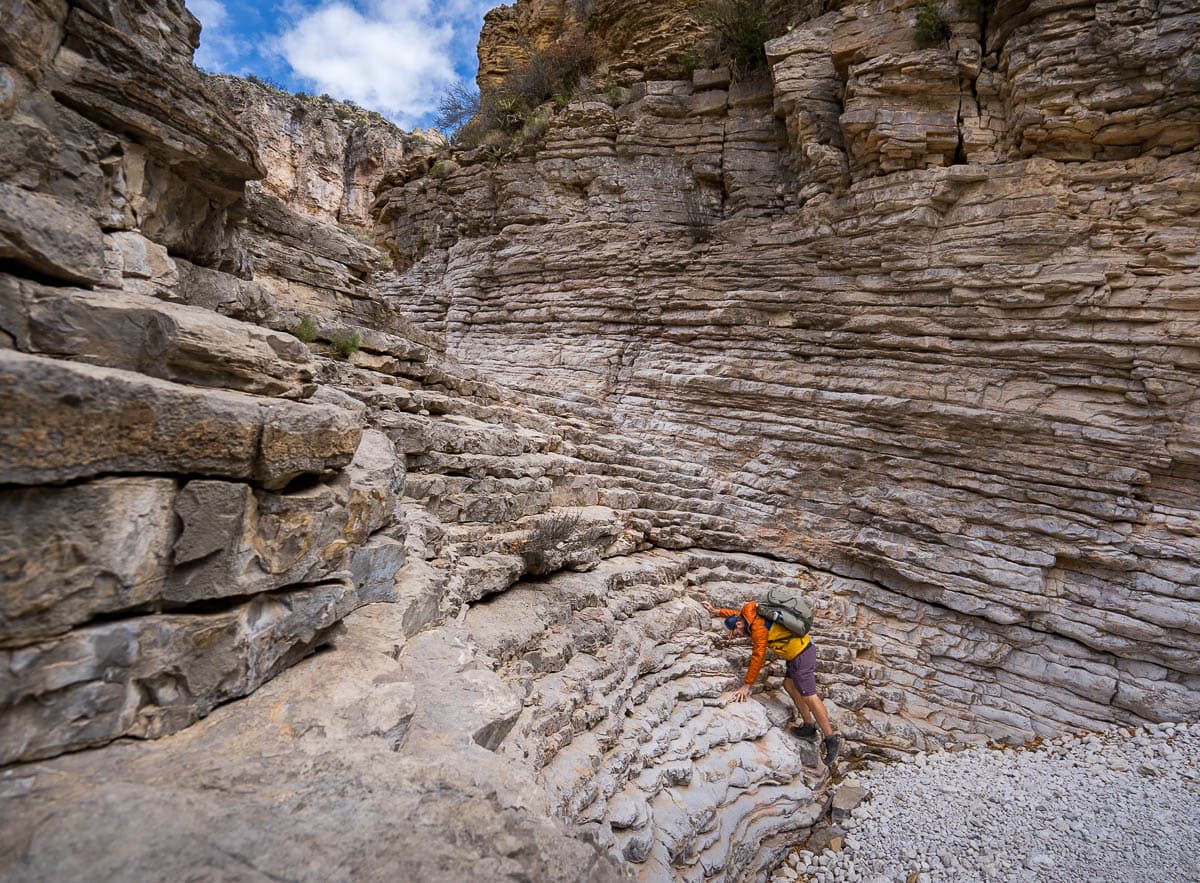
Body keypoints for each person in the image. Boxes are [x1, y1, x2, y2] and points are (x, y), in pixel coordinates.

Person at [701, 598, 842, 768]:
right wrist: (716, 611)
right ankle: (809, 727)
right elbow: (734, 614)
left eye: (735, 632)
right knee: (789, 685)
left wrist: (747, 685)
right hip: (796, 652)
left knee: (810, 696)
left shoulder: (757, 628)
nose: (736, 636)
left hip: (801, 654)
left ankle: (831, 739)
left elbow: (758, 656)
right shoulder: (748, 616)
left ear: (739, 625)